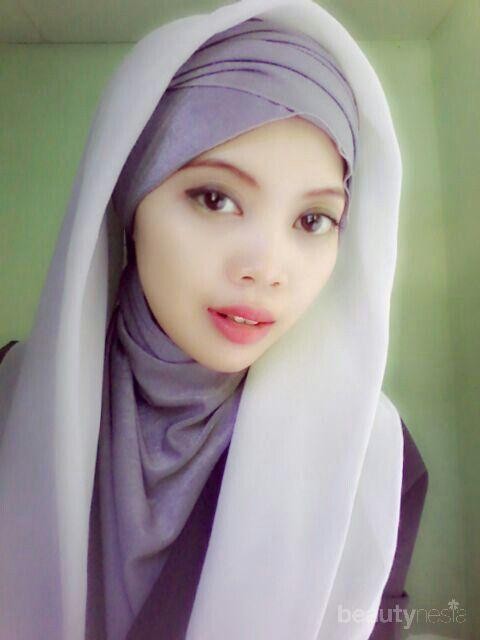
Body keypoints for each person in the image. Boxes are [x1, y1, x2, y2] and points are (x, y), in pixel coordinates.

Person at [0, 1, 428, 639]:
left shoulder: (376, 465)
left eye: (313, 220)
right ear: (130, 203)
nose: (268, 268)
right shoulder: (7, 399)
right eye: (215, 198)